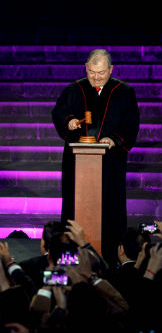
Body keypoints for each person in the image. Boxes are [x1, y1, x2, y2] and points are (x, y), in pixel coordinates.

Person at [51, 49, 140, 265]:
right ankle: (72, 255)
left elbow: (131, 124)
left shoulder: (124, 92)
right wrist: (69, 121)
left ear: (111, 70)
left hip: (110, 162)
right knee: (75, 204)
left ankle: (111, 256)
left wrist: (115, 140)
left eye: (101, 73)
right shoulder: (74, 89)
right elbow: (59, 113)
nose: (96, 77)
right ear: (86, 68)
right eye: (92, 72)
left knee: (110, 207)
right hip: (77, 161)